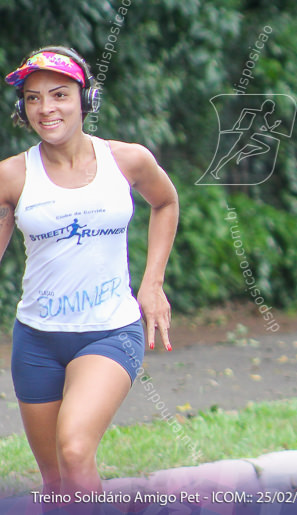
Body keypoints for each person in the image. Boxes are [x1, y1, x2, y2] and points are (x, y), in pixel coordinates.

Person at [0, 46, 178, 496]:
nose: (46, 108)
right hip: (36, 340)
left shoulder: (127, 160)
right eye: (34, 98)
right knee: (59, 482)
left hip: (110, 331)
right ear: (23, 108)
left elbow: (166, 203)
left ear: (86, 98)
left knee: (75, 450)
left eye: (59, 94)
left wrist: (152, 283)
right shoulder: (12, 177)